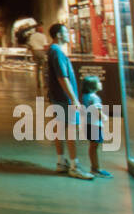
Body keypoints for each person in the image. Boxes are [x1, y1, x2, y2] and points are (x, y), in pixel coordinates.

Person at [46, 24, 92, 179]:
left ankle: (61, 162)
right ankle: (74, 165)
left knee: (60, 128)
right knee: (72, 129)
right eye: (66, 32)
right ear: (59, 35)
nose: (68, 34)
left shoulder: (53, 50)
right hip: (64, 98)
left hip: (57, 97)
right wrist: (74, 99)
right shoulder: (57, 52)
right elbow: (62, 77)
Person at [79, 75, 112, 178]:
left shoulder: (85, 96)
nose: (100, 83)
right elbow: (97, 110)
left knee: (93, 146)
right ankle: (95, 169)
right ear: (93, 85)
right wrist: (104, 117)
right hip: (95, 125)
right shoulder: (95, 97)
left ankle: (95, 167)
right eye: (98, 82)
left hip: (87, 124)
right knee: (94, 146)